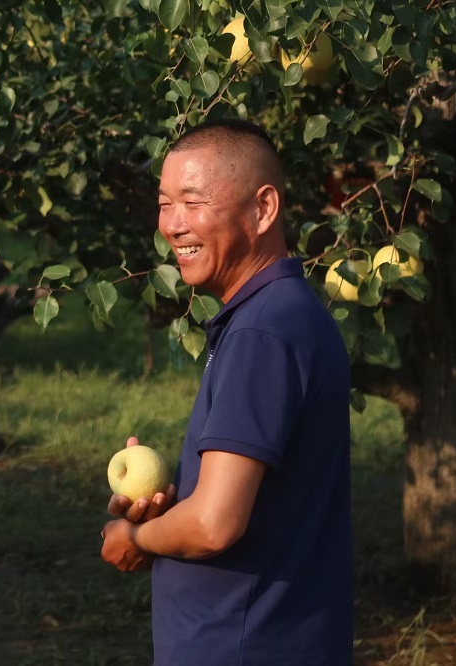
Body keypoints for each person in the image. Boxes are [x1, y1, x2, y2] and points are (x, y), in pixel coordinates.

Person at [101, 119, 352, 665]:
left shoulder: (263, 331)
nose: (171, 225)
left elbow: (214, 525)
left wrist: (135, 539)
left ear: (263, 209)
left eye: (192, 202)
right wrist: (166, 517)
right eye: (165, 204)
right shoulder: (282, 315)